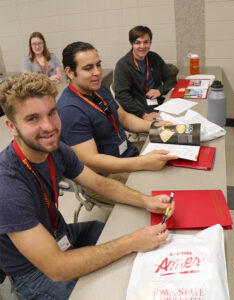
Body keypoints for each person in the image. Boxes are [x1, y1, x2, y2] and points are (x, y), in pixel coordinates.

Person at [0, 72, 174, 300]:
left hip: (60, 236)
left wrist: (146, 201)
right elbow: (57, 267)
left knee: (127, 238)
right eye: (33, 118)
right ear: (11, 126)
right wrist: (130, 243)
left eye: (52, 113)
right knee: (114, 287)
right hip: (34, 273)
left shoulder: (56, 149)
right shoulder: (7, 186)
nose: (48, 126)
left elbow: (99, 183)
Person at [57, 42, 177, 203]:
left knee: (174, 157)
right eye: (88, 68)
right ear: (70, 72)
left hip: (127, 153)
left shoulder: (97, 90)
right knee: (165, 188)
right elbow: (92, 160)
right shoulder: (70, 110)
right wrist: (142, 163)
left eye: (98, 65)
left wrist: (155, 127)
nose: (97, 72)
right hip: (103, 176)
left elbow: (124, 118)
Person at [114, 25, 177, 121]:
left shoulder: (154, 57)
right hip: (139, 109)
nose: (142, 46)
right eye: (138, 43)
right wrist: (143, 115)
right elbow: (122, 96)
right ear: (132, 44)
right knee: (169, 129)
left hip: (158, 103)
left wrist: (160, 90)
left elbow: (171, 78)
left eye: (146, 42)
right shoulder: (123, 65)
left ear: (150, 43)